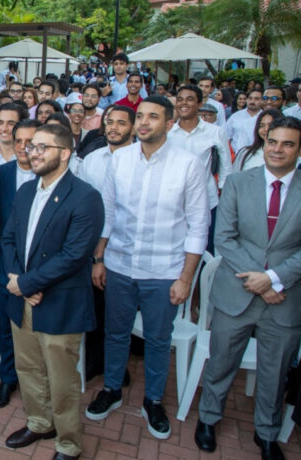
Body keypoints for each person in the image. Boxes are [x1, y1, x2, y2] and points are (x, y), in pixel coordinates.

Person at [87, 96, 209, 440]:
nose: (143, 122)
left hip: (164, 271)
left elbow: (198, 226)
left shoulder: (188, 164)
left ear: (169, 123)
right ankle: (111, 389)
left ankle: (153, 400)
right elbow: (109, 212)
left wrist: (185, 278)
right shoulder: (120, 159)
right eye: (140, 116)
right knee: (115, 332)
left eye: (152, 117)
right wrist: (99, 258)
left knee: (158, 340)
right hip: (120, 265)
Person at [195, 117, 301, 460]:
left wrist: (274, 279)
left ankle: (267, 434)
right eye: (273, 141)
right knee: (221, 362)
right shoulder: (238, 182)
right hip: (238, 292)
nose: (277, 149)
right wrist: (260, 280)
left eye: (287, 144)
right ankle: (208, 418)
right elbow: (225, 238)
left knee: (275, 372)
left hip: (285, 297)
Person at [2, 123, 104, 460]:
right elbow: (8, 239)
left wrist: (27, 284)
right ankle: (39, 422)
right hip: (22, 299)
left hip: (59, 303)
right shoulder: (25, 191)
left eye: (42, 147)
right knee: (29, 369)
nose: (33, 152)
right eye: (32, 146)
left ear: (64, 153)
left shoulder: (86, 197)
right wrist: (19, 281)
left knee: (62, 379)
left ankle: (68, 443)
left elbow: (74, 256)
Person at [0, 119, 39, 408]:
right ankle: (8, 378)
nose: (24, 147)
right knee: (6, 325)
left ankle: (36, 383)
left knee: (37, 330)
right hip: (3, 266)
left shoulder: (51, 176)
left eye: (31, 142)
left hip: (40, 270)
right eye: (19, 141)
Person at [78, 105, 135, 380]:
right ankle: (95, 360)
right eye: (110, 122)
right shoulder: (92, 159)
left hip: (127, 245)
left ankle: (117, 363)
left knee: (121, 310)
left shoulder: (141, 161)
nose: (113, 127)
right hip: (94, 244)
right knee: (96, 305)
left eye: (121, 123)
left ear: (132, 128)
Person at [168, 85, 231, 251]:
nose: (183, 103)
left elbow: (226, 166)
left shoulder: (215, 132)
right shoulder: (168, 133)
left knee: (204, 247)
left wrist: (223, 190)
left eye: (189, 99)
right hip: (173, 200)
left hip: (206, 199)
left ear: (200, 103)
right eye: (180, 99)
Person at [227, 89, 263, 153]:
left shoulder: (265, 117)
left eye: (256, 99)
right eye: (250, 98)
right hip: (236, 155)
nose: (252, 101)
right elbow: (226, 136)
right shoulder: (235, 116)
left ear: (262, 101)